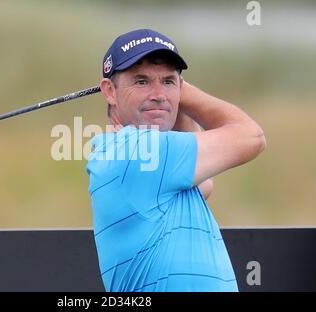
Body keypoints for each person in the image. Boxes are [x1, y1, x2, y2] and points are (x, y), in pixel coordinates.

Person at [86, 29, 266, 292]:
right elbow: (252, 137)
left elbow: (205, 186)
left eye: (168, 82)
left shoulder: (157, 168)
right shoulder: (137, 151)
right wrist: (184, 93)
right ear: (109, 91)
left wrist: (173, 96)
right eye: (141, 81)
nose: (159, 93)